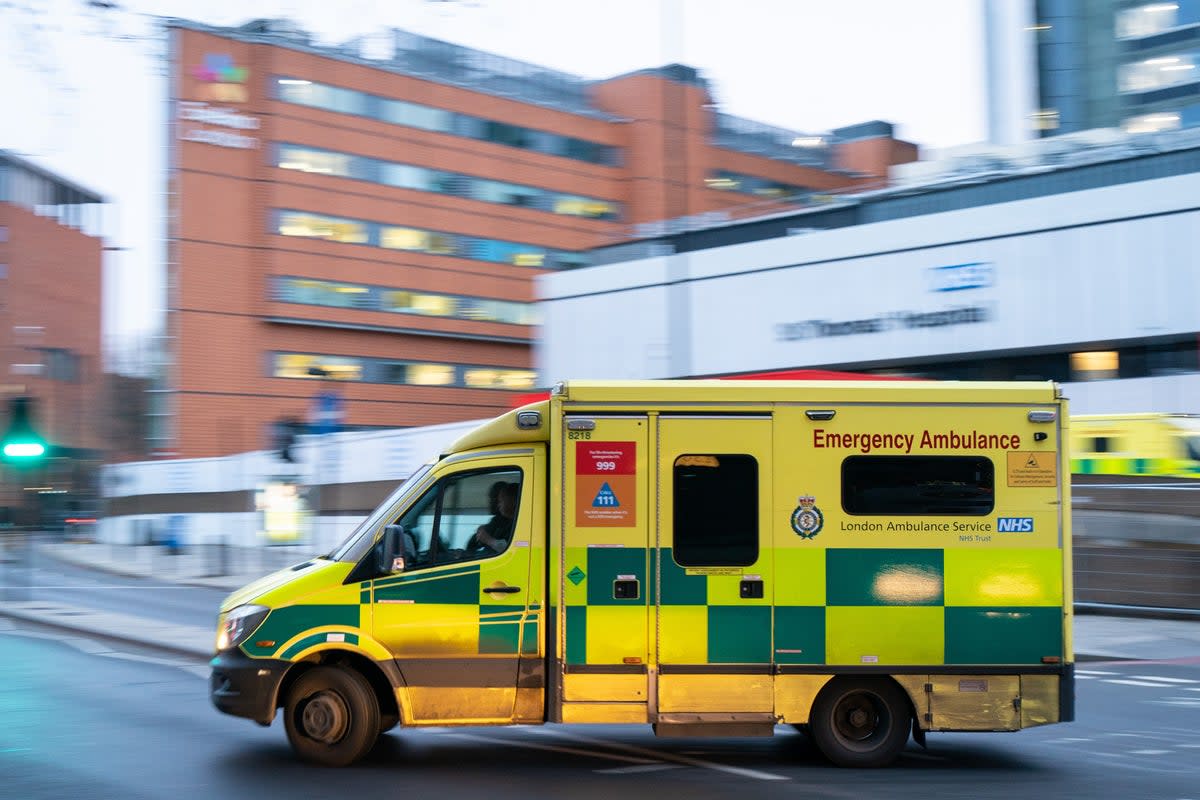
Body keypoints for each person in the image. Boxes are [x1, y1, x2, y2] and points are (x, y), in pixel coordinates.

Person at [470, 480, 518, 554]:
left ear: (513, 501)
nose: (498, 505)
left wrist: (488, 540)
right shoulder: (500, 523)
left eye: (500, 501)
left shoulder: (521, 525)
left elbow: (515, 550)